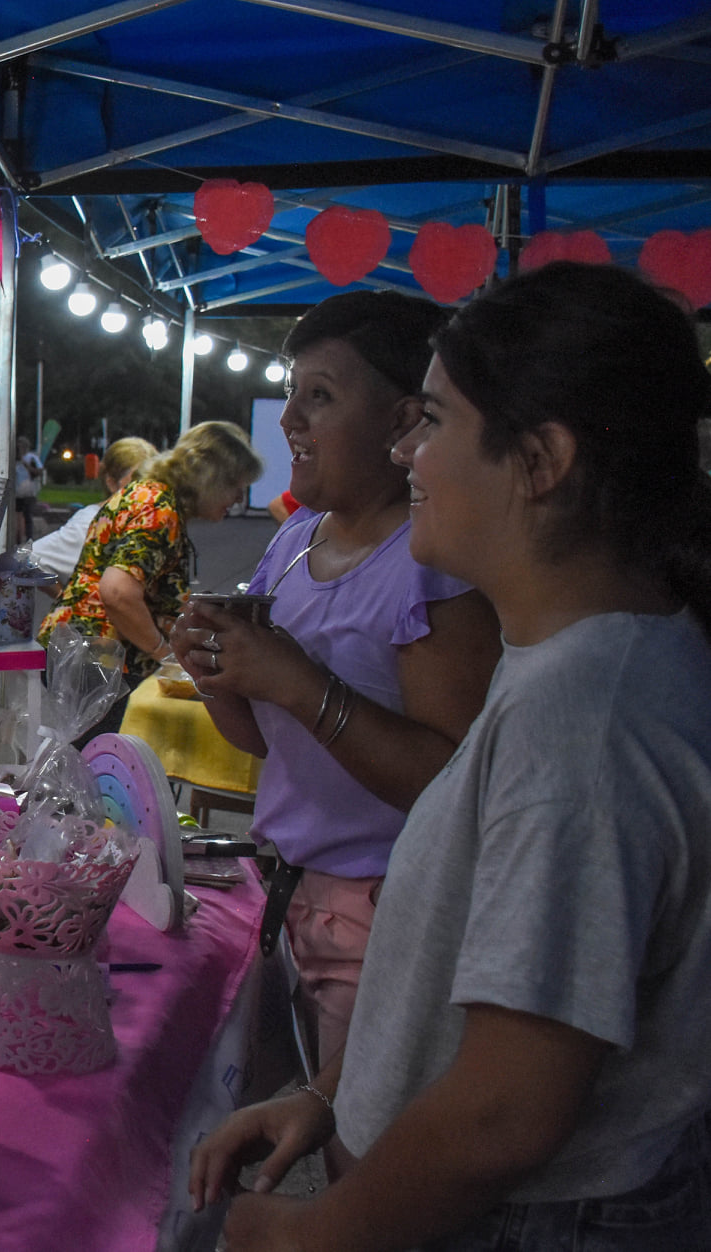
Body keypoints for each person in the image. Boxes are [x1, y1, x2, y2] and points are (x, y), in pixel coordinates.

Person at [190, 262, 711, 1252]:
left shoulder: (585, 720)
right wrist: (330, 1093)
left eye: (430, 421)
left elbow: (504, 1109)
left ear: (540, 460)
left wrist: (313, 1235)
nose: (407, 452)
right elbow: (471, 985)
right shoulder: (571, 660)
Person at [171, 292, 502, 1084]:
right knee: (280, 1111)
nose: (289, 418)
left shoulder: (426, 563)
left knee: (353, 1132)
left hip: (383, 913)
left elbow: (450, 779)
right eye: (292, 393)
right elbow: (263, 740)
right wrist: (214, 671)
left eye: (318, 396)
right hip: (286, 888)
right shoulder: (293, 540)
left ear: (402, 421)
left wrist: (298, 684)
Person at [39, 421, 260, 740]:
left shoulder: (152, 496)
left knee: (96, 758)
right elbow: (118, 592)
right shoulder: (158, 508)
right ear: (211, 479)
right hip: (102, 662)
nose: (239, 498)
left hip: (86, 656)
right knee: (112, 763)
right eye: (236, 486)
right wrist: (165, 655)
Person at [30, 436, 157, 578]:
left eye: (153, 482)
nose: (146, 491)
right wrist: (64, 591)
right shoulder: (91, 522)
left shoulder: (154, 519)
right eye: (136, 482)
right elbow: (31, 559)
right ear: (111, 483)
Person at [12, 436, 43, 542]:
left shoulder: (32, 457)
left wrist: (27, 466)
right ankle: (18, 537)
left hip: (29, 490)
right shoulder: (15, 459)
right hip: (17, 491)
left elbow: (39, 471)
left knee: (27, 515)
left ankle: (29, 537)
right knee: (17, 514)